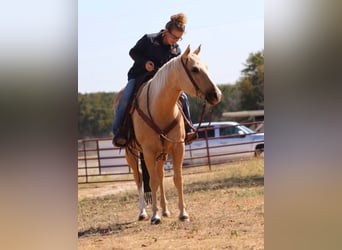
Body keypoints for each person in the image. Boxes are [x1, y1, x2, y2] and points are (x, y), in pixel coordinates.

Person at [112, 13, 197, 147]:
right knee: (125, 97)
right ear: (166, 31)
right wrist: (145, 62)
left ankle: (188, 128)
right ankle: (119, 132)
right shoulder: (148, 39)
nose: (175, 40)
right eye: (174, 37)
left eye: (179, 38)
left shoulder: (176, 50)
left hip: (162, 84)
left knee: (184, 98)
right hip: (139, 76)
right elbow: (133, 52)